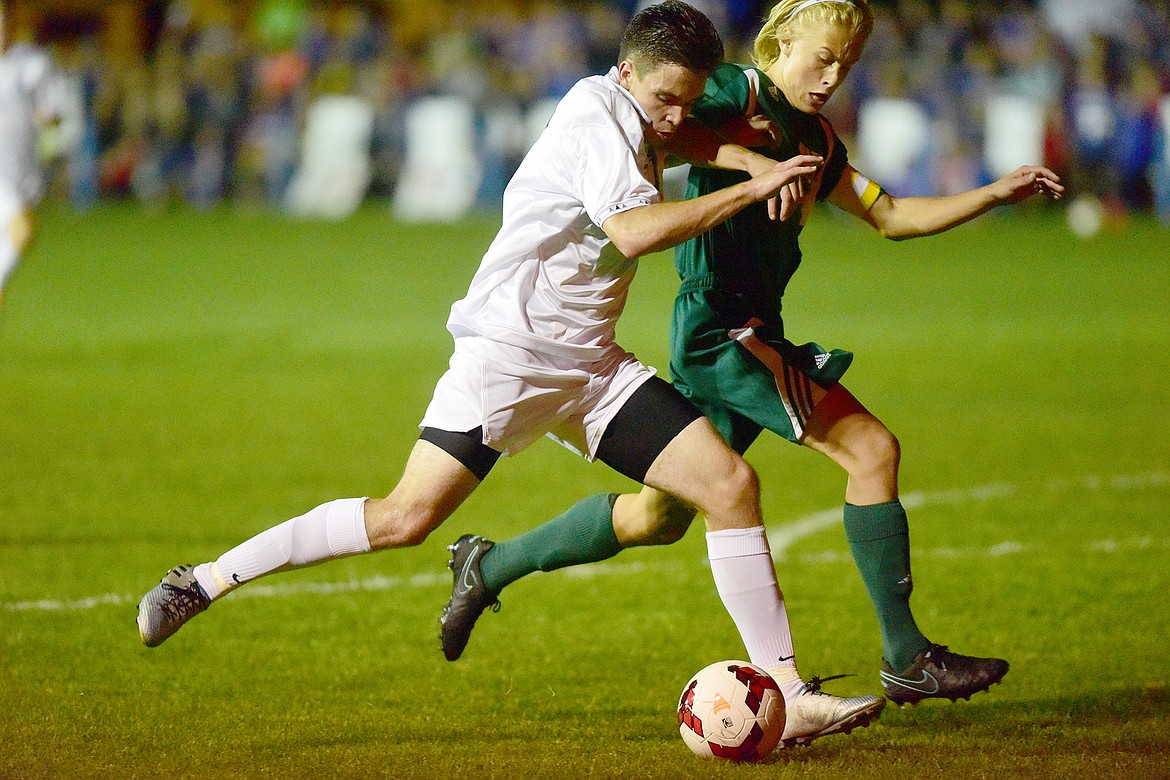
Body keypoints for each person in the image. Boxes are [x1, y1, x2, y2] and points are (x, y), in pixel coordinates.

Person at [137, 1, 883, 746]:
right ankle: (201, 580)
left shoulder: (648, 114)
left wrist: (742, 154)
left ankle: (787, 694)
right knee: (403, 519)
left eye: (690, 101)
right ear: (626, 75)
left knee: (729, 486)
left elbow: (685, 136)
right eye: (664, 99)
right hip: (511, 358)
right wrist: (749, 185)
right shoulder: (596, 115)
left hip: (590, 365)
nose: (676, 119)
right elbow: (634, 229)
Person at [440, 0, 1064, 709]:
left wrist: (994, 192)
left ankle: (487, 568)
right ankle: (906, 657)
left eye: (847, 65)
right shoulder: (733, 90)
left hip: (741, 332)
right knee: (871, 450)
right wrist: (733, 144)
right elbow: (647, 117)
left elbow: (889, 216)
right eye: (821, 57)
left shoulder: (819, 141)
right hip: (725, 333)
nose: (831, 76)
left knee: (659, 517)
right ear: (781, 41)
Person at [0, 41, 69, 307]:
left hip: (19, 171)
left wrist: (42, 114)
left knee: (23, 232)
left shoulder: (27, 64)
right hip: (4, 172)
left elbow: (52, 114)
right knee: (24, 228)